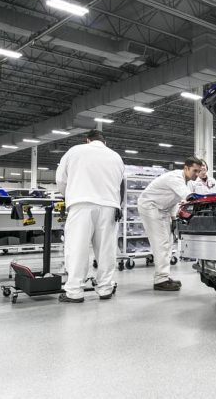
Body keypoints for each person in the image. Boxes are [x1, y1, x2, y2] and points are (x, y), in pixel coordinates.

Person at [55, 129, 125, 303]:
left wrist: (69, 196)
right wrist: (118, 204)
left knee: (77, 248)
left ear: (87, 140)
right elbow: (120, 183)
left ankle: (74, 292)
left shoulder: (75, 151)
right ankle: (105, 288)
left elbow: (61, 180)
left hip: (81, 204)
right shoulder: (116, 156)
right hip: (109, 206)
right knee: (106, 250)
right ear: (104, 142)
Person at [138, 157, 202, 291]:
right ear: (186, 168)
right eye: (195, 171)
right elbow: (188, 196)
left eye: (198, 171)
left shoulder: (185, 181)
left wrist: (174, 219)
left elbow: (174, 200)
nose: (197, 174)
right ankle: (160, 280)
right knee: (161, 243)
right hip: (150, 206)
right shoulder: (175, 178)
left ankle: (163, 276)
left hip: (163, 209)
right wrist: (205, 200)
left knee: (168, 242)